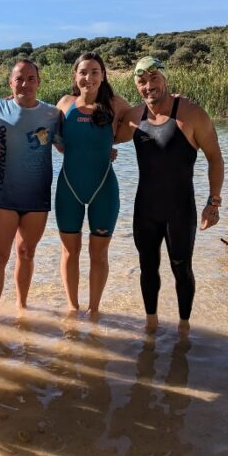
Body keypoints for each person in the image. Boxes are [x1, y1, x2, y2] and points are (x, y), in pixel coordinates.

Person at [115, 56, 224, 335]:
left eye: (154, 79)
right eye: (142, 81)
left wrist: (213, 202)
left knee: (181, 268)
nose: (148, 86)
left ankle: (184, 329)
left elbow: (215, 158)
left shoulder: (191, 113)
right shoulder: (135, 116)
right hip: (145, 209)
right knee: (147, 268)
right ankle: (150, 326)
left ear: (165, 79)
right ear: (136, 86)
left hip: (180, 209)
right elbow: (107, 131)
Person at [55, 53, 130, 318]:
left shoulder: (116, 105)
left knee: (98, 254)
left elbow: (143, 119)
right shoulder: (64, 104)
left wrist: (173, 101)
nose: (89, 77)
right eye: (84, 72)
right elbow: (51, 134)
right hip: (69, 188)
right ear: (75, 76)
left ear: (103, 75)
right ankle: (73, 308)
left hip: (103, 189)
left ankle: (95, 310)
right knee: (69, 251)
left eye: (95, 71)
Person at [0, 60, 61, 320]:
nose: (24, 84)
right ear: (10, 83)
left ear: (39, 82)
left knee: (26, 253)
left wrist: (105, 148)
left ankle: (21, 308)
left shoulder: (52, 115)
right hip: (3, 195)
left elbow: (69, 147)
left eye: (30, 78)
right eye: (19, 78)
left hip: (36, 195)